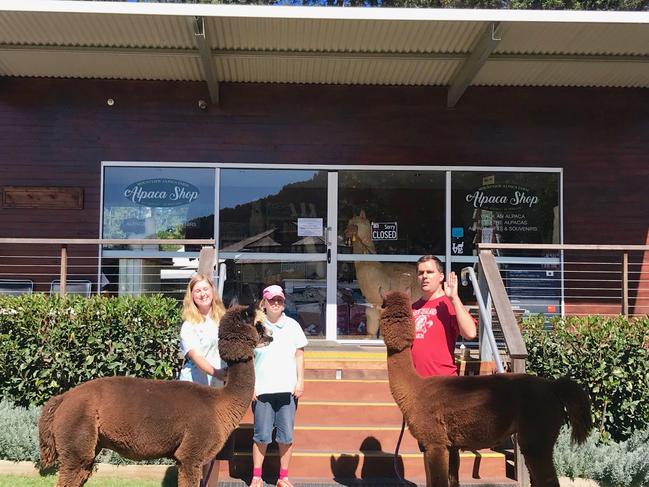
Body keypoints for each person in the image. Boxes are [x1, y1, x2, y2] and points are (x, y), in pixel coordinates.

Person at [250, 285, 308, 487]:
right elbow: (248, 358)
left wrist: (300, 381)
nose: (276, 303)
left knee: (286, 436)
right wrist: (251, 386)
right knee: (261, 435)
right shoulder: (255, 326)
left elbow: (299, 355)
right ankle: (257, 475)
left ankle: (283, 477)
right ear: (263, 303)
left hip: (287, 389)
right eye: (272, 300)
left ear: (283, 303)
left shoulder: (293, 325)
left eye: (279, 300)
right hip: (262, 389)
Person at [178, 273, 231, 487]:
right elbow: (196, 356)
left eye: (205, 289)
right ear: (191, 296)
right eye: (197, 290)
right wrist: (217, 373)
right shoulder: (189, 325)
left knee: (213, 442)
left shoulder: (223, 318)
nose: (202, 293)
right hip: (195, 387)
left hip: (218, 388)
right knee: (192, 443)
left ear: (212, 290)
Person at [411, 255, 477, 378]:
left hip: (443, 384)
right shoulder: (413, 308)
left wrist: (454, 298)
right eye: (421, 273)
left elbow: (470, 333)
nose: (424, 276)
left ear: (441, 276)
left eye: (430, 272)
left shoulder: (449, 303)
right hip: (416, 385)